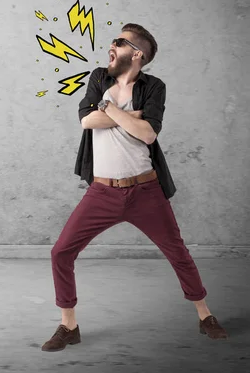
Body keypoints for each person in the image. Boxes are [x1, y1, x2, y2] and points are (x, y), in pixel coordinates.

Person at [41, 24, 228, 352]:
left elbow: (148, 134)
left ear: (137, 53)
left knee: (177, 253)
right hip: (102, 192)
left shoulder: (154, 86)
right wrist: (131, 117)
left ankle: (205, 316)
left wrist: (109, 108)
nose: (110, 45)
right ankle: (68, 325)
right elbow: (85, 120)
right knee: (61, 252)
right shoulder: (99, 77)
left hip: (146, 191)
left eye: (118, 42)